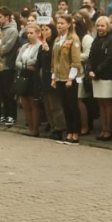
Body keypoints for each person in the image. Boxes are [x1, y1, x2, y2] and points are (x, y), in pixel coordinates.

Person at [50, 13, 83, 144]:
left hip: (70, 77)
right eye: (58, 23)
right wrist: (54, 77)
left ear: (69, 24)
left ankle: (76, 133)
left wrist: (70, 78)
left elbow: (76, 60)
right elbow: (54, 60)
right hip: (59, 77)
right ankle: (69, 132)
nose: (59, 25)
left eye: (62, 23)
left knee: (72, 105)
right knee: (65, 105)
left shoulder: (73, 39)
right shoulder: (58, 39)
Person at [87, 16, 112, 141]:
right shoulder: (96, 40)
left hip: (106, 75)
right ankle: (103, 128)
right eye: (98, 26)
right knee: (100, 103)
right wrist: (90, 69)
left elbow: (109, 58)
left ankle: (108, 129)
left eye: (102, 26)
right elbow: (91, 56)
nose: (100, 28)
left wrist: (96, 71)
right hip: (95, 75)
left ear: (108, 27)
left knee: (107, 103)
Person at [14, 23, 43, 136]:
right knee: (25, 103)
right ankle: (30, 128)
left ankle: (35, 129)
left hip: (33, 76)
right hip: (23, 74)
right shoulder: (25, 46)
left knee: (33, 103)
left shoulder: (40, 46)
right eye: (28, 33)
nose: (29, 35)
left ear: (38, 34)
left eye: (32, 33)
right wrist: (25, 65)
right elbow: (17, 61)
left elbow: (35, 61)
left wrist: (24, 63)